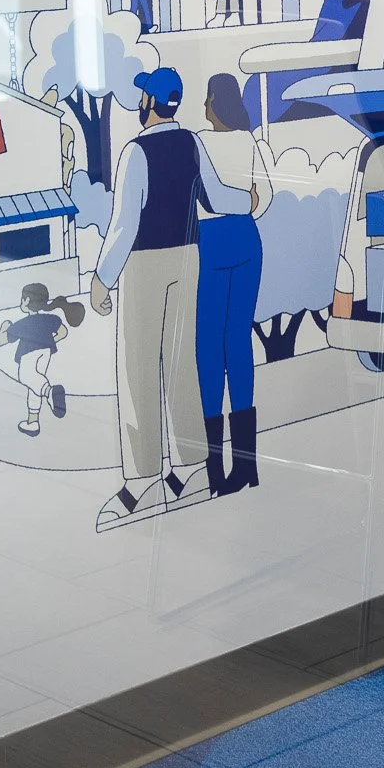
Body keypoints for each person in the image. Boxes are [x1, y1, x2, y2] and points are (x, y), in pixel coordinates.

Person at [90, 66, 252, 530]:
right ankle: (192, 469)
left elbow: (124, 226)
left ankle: (142, 482)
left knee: (139, 368)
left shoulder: (135, 153)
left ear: (149, 105)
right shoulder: (191, 144)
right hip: (188, 258)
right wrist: (251, 201)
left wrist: (102, 279)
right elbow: (217, 198)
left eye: (142, 97)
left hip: (144, 264)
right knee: (183, 363)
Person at [194, 73, 272, 494]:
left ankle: (215, 473)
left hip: (210, 244)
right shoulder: (252, 142)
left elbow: (198, 199)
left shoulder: (200, 145)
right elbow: (267, 198)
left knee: (208, 349)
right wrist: (247, 207)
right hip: (246, 239)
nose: (203, 108)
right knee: (238, 346)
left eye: (206, 100)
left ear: (213, 102)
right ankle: (248, 468)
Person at [0, 282, 81, 437]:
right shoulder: (50, 319)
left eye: (22, 299)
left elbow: (0, 341)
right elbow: (63, 332)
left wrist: (4, 326)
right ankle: (33, 422)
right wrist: (50, 341)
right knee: (34, 385)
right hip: (46, 351)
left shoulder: (22, 324)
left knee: (26, 376)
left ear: (27, 301)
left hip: (29, 352)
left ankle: (50, 392)